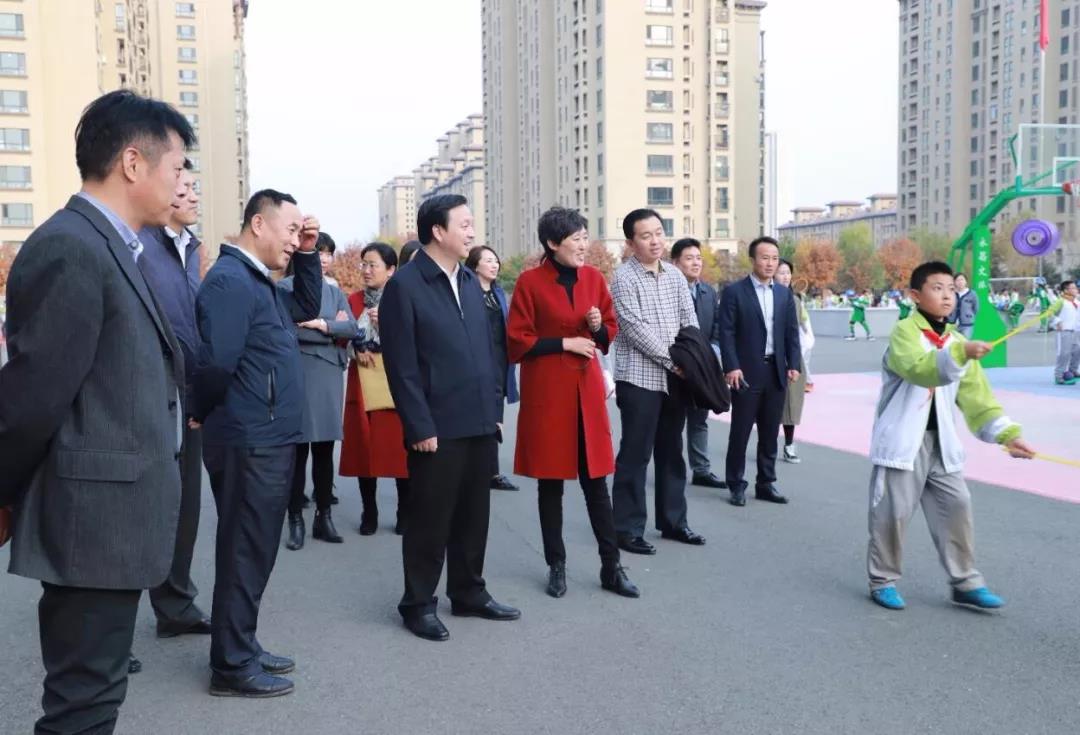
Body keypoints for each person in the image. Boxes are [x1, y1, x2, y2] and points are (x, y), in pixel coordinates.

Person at [0, 90, 192, 734]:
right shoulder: (72, 247)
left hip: (112, 521)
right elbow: (32, 396)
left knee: (94, 697)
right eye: (177, 166)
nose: (182, 182)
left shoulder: (116, 246)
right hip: (92, 525)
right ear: (133, 163)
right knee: (82, 705)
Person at [190, 190, 322, 697]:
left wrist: (308, 253)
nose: (294, 239)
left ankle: (240, 644)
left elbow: (306, 305)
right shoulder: (231, 281)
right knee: (244, 552)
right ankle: (231, 665)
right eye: (290, 231)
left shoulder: (257, 281)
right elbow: (217, 363)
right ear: (258, 225)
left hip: (266, 437)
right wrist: (201, 410)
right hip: (249, 440)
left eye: (300, 233)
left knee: (255, 550)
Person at [380, 194, 520, 641]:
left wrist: (494, 410)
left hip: (478, 419)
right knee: (430, 518)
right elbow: (401, 365)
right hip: (436, 426)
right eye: (464, 224)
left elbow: (489, 352)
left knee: (474, 515)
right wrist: (418, 425)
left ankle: (468, 591)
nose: (472, 232)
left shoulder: (470, 281)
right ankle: (418, 603)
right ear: (438, 231)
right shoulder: (406, 286)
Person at [866, 261, 1036, 611]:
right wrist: (960, 353)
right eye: (937, 288)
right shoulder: (904, 333)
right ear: (915, 296)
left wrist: (1007, 435)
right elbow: (920, 369)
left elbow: (978, 398)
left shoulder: (957, 340)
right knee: (893, 513)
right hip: (904, 444)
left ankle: (965, 582)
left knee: (957, 506)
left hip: (941, 443)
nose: (947, 296)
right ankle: (882, 580)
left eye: (951, 289)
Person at [507, 207, 639, 599]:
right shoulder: (529, 283)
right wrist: (564, 342)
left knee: (596, 483)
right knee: (550, 486)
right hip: (548, 394)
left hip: (586, 393)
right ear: (552, 243)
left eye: (585, 237)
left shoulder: (594, 278)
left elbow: (610, 330)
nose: (583, 245)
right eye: (576, 239)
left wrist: (597, 327)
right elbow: (516, 340)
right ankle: (556, 565)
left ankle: (611, 566)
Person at [135, 159, 211, 656]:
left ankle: (175, 606)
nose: (193, 195)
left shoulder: (192, 250)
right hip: (148, 394)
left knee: (185, 506)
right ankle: (108, 633)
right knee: (137, 511)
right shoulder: (138, 245)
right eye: (185, 186)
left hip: (189, 395)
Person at [610, 209, 704, 555]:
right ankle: (627, 529)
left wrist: (689, 359)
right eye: (645, 235)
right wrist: (673, 362)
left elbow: (689, 320)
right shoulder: (623, 278)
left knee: (671, 451)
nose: (655, 241)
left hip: (675, 379)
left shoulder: (675, 276)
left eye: (659, 233)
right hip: (639, 379)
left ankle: (674, 522)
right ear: (631, 242)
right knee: (635, 454)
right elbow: (634, 330)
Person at [282, 232, 358, 550]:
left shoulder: (335, 291)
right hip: (298, 371)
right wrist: (330, 328)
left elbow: (352, 328)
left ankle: (323, 518)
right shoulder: (285, 288)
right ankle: (295, 520)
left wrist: (321, 325)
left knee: (325, 451)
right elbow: (288, 330)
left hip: (328, 375)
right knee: (297, 452)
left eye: (327, 253)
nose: (322, 259)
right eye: (317, 253)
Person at [717, 236, 801, 507]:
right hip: (745, 373)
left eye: (774, 258)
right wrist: (731, 366)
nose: (770, 263)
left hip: (775, 371)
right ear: (753, 260)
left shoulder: (784, 294)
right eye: (765, 258)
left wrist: (794, 364)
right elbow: (726, 333)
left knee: (769, 432)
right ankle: (736, 484)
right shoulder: (734, 292)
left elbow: (791, 332)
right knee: (740, 432)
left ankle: (766, 483)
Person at [339, 242, 411, 535]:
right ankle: (369, 510)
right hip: (362, 383)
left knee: (399, 450)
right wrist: (356, 349)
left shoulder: (402, 300)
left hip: (395, 384)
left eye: (373, 265)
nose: (367, 270)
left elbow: (416, 340)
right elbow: (341, 337)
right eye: (364, 264)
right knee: (363, 448)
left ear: (391, 270)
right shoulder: (353, 300)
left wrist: (388, 326)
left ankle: (405, 510)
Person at [670, 237, 727, 490]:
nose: (696, 263)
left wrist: (711, 354)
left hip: (703, 368)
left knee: (699, 419)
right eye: (689, 258)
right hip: (676, 368)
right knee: (673, 421)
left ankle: (701, 470)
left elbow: (717, 327)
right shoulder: (667, 292)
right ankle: (671, 470)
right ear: (675, 263)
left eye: (698, 258)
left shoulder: (708, 292)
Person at [465, 245, 521, 491]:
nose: (494, 264)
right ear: (475, 265)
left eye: (495, 260)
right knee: (477, 414)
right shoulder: (466, 292)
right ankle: (475, 470)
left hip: (499, 360)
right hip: (476, 361)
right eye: (488, 260)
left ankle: (492, 473)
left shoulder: (498, 293)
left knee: (495, 416)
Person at [775, 259, 813, 464]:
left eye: (788, 273)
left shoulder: (795, 301)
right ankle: (767, 444)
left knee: (792, 404)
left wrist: (795, 362)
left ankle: (789, 445)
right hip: (770, 359)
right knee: (771, 405)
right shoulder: (765, 298)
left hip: (792, 359)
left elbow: (797, 333)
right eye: (781, 272)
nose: (785, 276)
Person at [1049, 280, 1080, 385]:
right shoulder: (1061, 301)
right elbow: (1049, 313)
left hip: (1075, 331)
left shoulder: (1076, 302)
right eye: (1073, 288)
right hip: (1064, 331)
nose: (1076, 289)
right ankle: (1059, 375)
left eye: (1076, 287)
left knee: (1077, 351)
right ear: (1066, 290)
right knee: (1064, 354)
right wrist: (1057, 322)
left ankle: (1073, 370)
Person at [948, 273, 979, 338]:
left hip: (966, 325)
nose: (960, 282)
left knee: (965, 342)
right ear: (954, 282)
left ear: (966, 282)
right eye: (957, 280)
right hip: (951, 324)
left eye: (962, 279)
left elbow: (976, 308)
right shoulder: (950, 293)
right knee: (951, 342)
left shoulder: (972, 294)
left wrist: (968, 316)